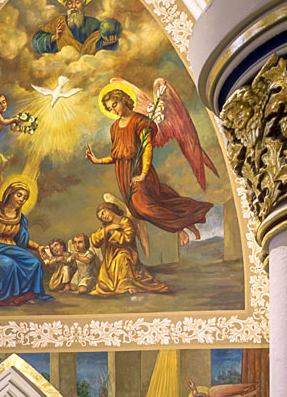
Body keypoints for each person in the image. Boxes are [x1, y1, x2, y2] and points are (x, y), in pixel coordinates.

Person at [90, 85, 212, 249]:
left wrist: (144, 173)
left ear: (123, 99)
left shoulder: (140, 121)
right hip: (123, 175)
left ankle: (181, 226)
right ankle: (183, 226)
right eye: (111, 108)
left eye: (115, 104)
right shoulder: (114, 128)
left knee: (145, 208)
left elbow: (147, 147)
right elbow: (117, 155)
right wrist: (98, 161)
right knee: (139, 210)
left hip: (140, 170)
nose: (114, 110)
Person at [88, 201, 169, 296]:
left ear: (110, 209)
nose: (104, 217)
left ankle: (128, 285)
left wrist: (113, 232)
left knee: (122, 259)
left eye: (103, 213)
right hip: (111, 256)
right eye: (101, 217)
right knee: (105, 278)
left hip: (128, 252)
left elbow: (127, 239)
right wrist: (107, 230)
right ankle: (116, 285)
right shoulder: (107, 227)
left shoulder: (125, 221)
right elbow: (95, 241)